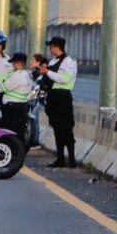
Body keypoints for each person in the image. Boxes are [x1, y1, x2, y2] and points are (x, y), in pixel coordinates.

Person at [39, 36, 78, 167]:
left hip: (63, 97)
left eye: (51, 46)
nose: (50, 49)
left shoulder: (69, 61)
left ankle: (72, 159)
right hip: (53, 97)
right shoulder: (52, 61)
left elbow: (65, 79)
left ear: (57, 47)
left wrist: (48, 72)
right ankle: (60, 158)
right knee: (57, 129)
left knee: (66, 128)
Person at [28, 54, 51, 148]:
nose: (31, 62)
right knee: (33, 119)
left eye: (33, 61)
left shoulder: (38, 73)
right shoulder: (35, 72)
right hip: (35, 100)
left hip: (38, 100)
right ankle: (32, 140)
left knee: (34, 119)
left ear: (38, 63)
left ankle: (35, 141)